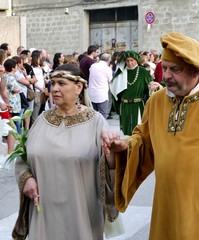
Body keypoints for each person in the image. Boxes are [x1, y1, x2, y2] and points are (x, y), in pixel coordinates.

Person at [101, 32, 199, 239]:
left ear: (195, 71)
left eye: (175, 69)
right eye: (164, 67)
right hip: (165, 203)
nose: (166, 76)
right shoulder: (156, 101)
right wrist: (125, 145)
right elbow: (144, 141)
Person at [13, 64, 120, 240]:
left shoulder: (95, 122)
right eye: (53, 83)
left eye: (61, 83)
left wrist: (111, 154)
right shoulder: (42, 120)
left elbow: (111, 167)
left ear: (79, 87)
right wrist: (27, 178)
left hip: (81, 212)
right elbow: (23, 158)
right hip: (43, 211)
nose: (54, 88)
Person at [110, 50, 153, 136]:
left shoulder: (143, 72)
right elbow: (115, 93)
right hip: (125, 106)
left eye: (132, 60)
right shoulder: (121, 73)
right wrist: (118, 107)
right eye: (127, 60)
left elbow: (150, 90)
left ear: (136, 60)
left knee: (138, 131)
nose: (129, 63)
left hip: (137, 106)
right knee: (126, 132)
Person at [88, 53, 113, 119]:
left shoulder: (93, 66)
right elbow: (110, 80)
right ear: (109, 60)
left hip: (92, 93)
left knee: (94, 115)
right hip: (102, 95)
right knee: (103, 115)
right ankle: (101, 129)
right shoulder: (107, 69)